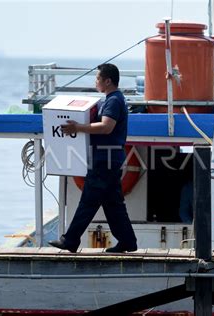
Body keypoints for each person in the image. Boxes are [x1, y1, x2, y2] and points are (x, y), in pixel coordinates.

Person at [49, 63, 137, 253]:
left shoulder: (113, 100)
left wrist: (77, 128)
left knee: (89, 200)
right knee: (113, 204)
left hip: (105, 158)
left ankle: (70, 240)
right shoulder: (111, 99)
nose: (95, 82)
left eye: (97, 78)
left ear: (108, 81)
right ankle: (128, 241)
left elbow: (107, 127)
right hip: (110, 157)